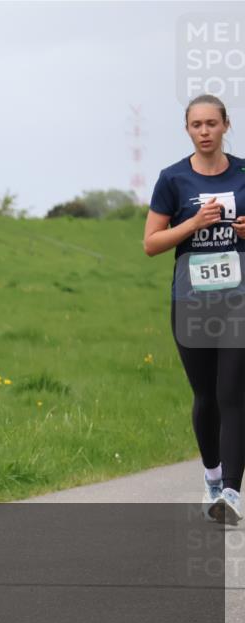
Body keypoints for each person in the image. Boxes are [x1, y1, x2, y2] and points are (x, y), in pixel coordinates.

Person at [143, 93, 245, 523]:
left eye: (211, 124)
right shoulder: (172, 179)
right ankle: (211, 475)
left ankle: (231, 495)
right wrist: (192, 225)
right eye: (196, 125)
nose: (204, 132)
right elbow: (151, 243)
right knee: (206, 397)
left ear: (225, 126)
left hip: (238, 300)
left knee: (233, 395)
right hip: (190, 303)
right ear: (187, 129)